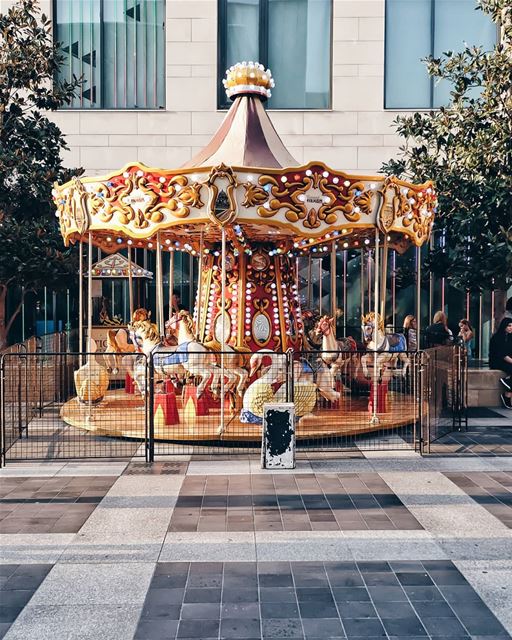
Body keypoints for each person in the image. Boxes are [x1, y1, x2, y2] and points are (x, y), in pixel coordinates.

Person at [489, 317, 512, 409]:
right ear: (504, 326)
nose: (511, 328)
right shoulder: (497, 337)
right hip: (497, 361)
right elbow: (502, 354)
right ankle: (507, 387)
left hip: (507, 360)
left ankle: (507, 390)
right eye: (509, 326)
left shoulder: (510, 337)